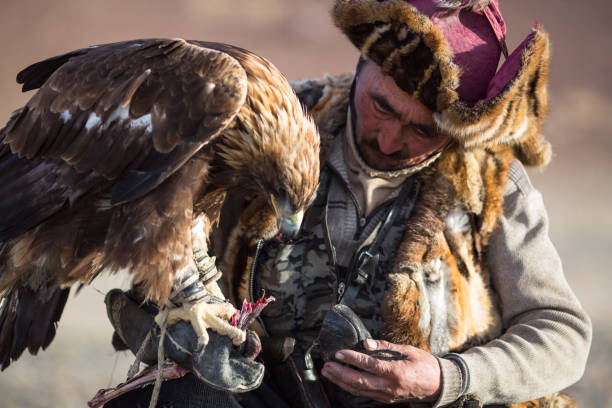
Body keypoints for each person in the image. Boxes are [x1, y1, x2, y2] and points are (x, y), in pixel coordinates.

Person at [103, 1, 592, 407]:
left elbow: (562, 334)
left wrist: (449, 377)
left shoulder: (494, 185)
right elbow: (172, 239)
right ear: (361, 66)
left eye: (424, 130)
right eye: (382, 105)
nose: (390, 136)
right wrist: (175, 312)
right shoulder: (266, 134)